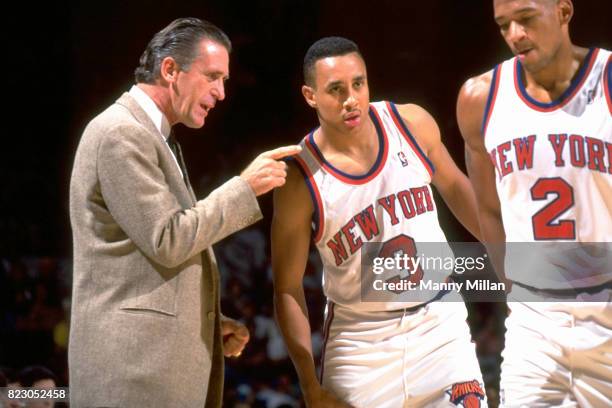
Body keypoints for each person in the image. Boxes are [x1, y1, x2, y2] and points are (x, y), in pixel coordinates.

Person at [69, 17, 300, 407]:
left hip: (152, 367)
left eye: (224, 80)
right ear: (170, 69)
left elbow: (144, 257)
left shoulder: (155, 136)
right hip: (132, 376)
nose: (221, 92)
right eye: (213, 76)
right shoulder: (120, 133)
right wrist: (245, 188)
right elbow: (168, 239)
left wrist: (205, 322)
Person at [272, 37, 488, 408]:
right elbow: (287, 288)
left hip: (438, 322)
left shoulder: (411, 124)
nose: (351, 99)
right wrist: (309, 386)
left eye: (358, 83)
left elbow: (455, 186)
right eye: (336, 90)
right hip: (359, 343)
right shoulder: (299, 178)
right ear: (310, 95)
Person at [456, 0, 611, 406]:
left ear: (563, 11)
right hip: (534, 321)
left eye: (525, 19)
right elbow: (488, 209)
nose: (514, 35)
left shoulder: (607, 80)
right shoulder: (479, 99)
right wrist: (516, 293)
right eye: (504, 24)